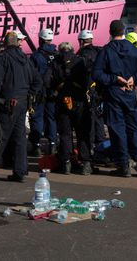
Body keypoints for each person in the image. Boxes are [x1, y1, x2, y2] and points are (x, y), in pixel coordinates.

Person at [0, 31, 42, 182]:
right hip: (22, 102)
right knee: (19, 138)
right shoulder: (25, 59)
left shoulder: (3, 59)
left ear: (5, 43)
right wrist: (29, 94)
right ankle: (20, 171)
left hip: (7, 103)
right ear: (17, 42)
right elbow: (38, 80)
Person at [93, 20, 137, 177]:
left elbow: (97, 74)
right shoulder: (133, 50)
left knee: (117, 130)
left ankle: (124, 165)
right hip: (129, 93)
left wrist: (115, 79)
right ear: (124, 32)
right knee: (133, 129)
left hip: (114, 92)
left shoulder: (106, 51)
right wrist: (135, 78)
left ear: (110, 32)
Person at [51, 42, 92, 175]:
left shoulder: (55, 62)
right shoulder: (80, 61)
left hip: (62, 100)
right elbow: (88, 80)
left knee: (65, 134)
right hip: (79, 99)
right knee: (82, 132)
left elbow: (46, 81)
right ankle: (85, 163)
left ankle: (66, 163)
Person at [28, 28, 58, 156]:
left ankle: (36, 146)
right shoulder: (57, 55)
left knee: (37, 119)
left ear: (40, 40)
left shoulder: (35, 56)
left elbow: (30, 75)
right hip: (53, 92)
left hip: (38, 92)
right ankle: (52, 145)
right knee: (52, 118)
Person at [76, 30, 104, 146]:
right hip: (100, 88)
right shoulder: (99, 51)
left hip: (87, 89)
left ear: (81, 41)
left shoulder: (81, 55)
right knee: (98, 116)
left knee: (89, 117)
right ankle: (100, 141)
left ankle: (91, 143)